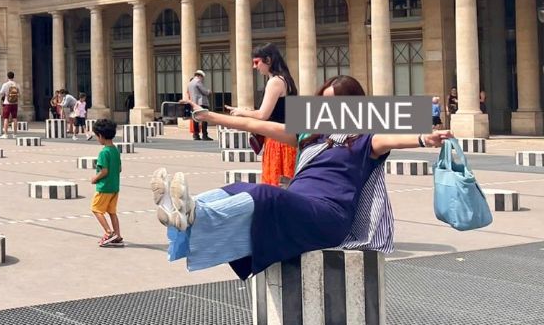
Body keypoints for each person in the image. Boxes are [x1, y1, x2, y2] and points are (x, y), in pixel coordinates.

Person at [171, 75, 452, 278]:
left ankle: (196, 212)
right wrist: (209, 117)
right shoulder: (309, 136)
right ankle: (187, 208)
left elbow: (395, 138)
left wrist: (424, 138)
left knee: (264, 194)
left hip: (328, 217)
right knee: (239, 187)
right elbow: (253, 124)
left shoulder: (366, 140)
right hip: (299, 208)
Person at [227, 43, 297, 186]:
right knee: (288, 182)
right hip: (288, 137)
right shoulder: (286, 79)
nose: (255, 67)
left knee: (274, 183)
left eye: (257, 62)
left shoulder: (275, 81)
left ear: (268, 60)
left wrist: (241, 112)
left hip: (277, 139)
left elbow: (262, 115)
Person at [90, 118, 123, 247]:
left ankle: (109, 232)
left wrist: (95, 178)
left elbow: (104, 171)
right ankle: (117, 235)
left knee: (96, 209)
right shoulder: (115, 150)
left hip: (104, 187)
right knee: (112, 212)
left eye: (97, 136)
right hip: (115, 187)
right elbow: (119, 169)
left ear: (101, 136)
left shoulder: (104, 152)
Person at [186, 70, 211, 141]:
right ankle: (205, 135)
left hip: (194, 103)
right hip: (201, 103)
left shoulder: (190, 83)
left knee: (195, 119)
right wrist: (209, 91)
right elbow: (205, 92)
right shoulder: (198, 82)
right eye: (202, 77)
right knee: (204, 119)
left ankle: (196, 135)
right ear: (200, 76)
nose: (202, 79)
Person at [0, 72, 20, 138]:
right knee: (15, 118)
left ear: (7, 77)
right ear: (13, 77)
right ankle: (15, 134)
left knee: (6, 118)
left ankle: (5, 134)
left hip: (7, 102)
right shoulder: (16, 84)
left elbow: (1, 92)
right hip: (15, 103)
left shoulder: (5, 84)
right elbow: (19, 94)